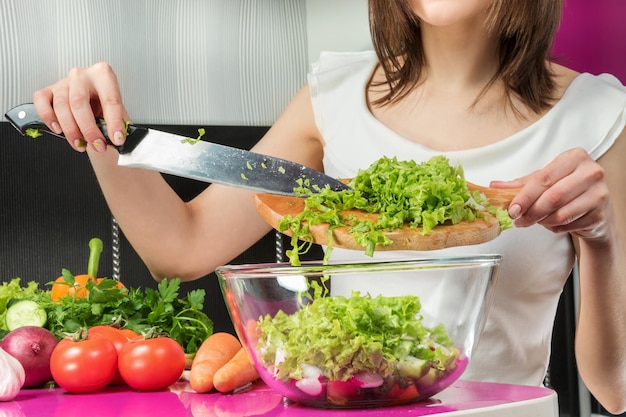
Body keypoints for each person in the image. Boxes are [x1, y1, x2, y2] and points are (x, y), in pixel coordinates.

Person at [31, 0, 625, 413]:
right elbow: (180, 248)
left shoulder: (597, 117)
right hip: (342, 411)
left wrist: (602, 239)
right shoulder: (335, 96)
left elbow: (615, 386)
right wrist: (99, 132)